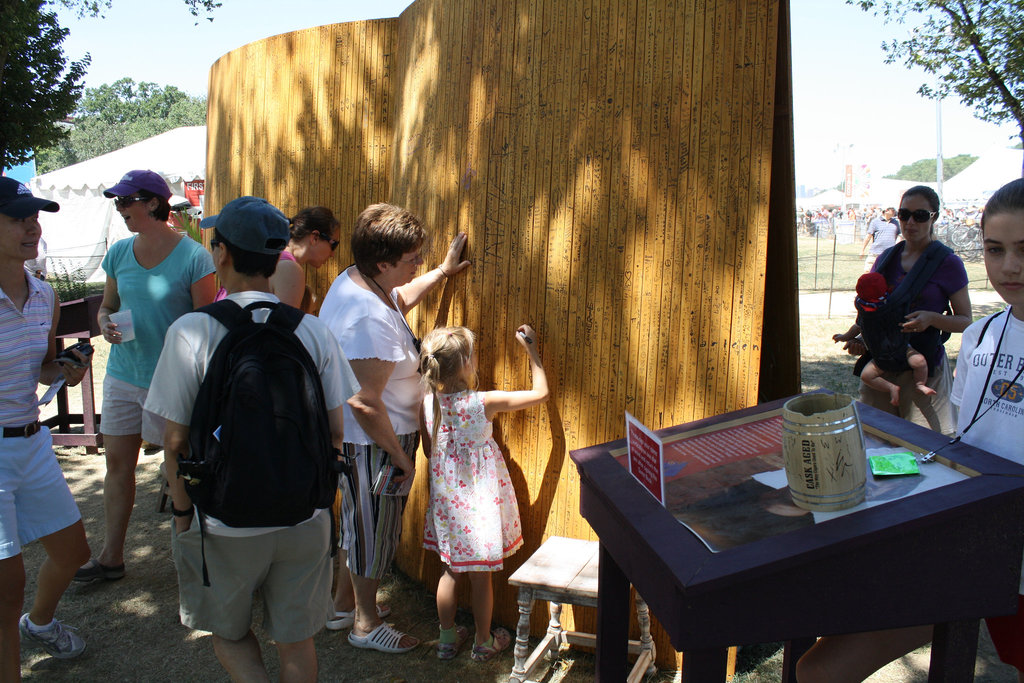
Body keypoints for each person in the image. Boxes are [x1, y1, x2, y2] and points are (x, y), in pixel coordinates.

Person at [798, 178, 1024, 683]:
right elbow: (966, 443)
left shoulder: (950, 279)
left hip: (1011, 553)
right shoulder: (984, 335)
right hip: (963, 540)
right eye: (995, 249)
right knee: (820, 671)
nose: (1009, 266)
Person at [144, 196, 357, 681]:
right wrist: (324, 505)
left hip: (223, 520)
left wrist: (182, 514)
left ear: (221, 254)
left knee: (231, 634)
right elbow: (336, 433)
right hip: (304, 515)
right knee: (296, 640)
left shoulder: (191, 332)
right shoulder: (312, 331)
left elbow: (174, 440)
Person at [318, 203, 470, 653]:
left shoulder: (359, 281)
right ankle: (365, 625)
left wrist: (441, 273)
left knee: (358, 524)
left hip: (364, 440)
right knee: (374, 533)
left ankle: (343, 604)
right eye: (412, 259)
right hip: (375, 442)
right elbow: (365, 401)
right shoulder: (366, 320)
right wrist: (402, 456)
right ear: (384, 262)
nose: (418, 263)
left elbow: (398, 299)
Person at [75, 170, 216, 583]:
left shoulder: (194, 257)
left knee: (180, 470)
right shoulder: (118, 253)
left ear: (154, 203)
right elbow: (107, 306)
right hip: (123, 375)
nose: (119, 209)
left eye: (125, 201)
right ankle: (111, 556)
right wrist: (104, 323)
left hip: (173, 383)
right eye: (116, 203)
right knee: (117, 464)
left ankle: (190, 568)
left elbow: (204, 324)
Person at [0, 177, 92, 675]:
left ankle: (39, 624)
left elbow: (42, 368)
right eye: (18, 217)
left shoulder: (44, 294)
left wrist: (65, 367)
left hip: (34, 444)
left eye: (35, 217)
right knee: (5, 590)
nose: (32, 227)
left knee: (74, 552)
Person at [419, 324, 548, 662]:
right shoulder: (482, 403)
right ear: (464, 363)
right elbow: (540, 394)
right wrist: (532, 350)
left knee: (450, 570)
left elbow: (428, 449)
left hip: (448, 503)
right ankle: (483, 642)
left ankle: (447, 639)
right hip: (478, 505)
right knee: (481, 578)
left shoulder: (429, 401)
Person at [832, 186, 972, 435]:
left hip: (923, 370)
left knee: (926, 447)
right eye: (904, 214)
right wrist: (859, 339)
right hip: (882, 367)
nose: (910, 222)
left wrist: (932, 319)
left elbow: (965, 321)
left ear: (934, 217)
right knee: (876, 444)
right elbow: (872, 311)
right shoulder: (886, 258)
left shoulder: (947, 262)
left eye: (920, 215)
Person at [213, 205, 340, 312]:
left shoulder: (275, 258)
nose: (332, 254)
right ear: (315, 237)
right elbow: (283, 332)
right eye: (334, 244)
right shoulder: (290, 269)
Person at [851, 271, 934, 406]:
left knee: (919, 361)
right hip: (881, 354)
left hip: (901, 347)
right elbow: (858, 326)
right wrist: (846, 337)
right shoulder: (865, 311)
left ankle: (920, 384)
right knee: (866, 376)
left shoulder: (894, 305)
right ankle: (891, 387)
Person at [860, 207, 900, 272]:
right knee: (868, 273)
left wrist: (896, 250)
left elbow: (898, 236)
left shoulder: (896, 223)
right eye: (892, 210)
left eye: (894, 211)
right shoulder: (875, 222)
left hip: (889, 254)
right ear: (885, 211)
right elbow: (868, 236)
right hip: (875, 253)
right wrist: (862, 250)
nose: (894, 212)